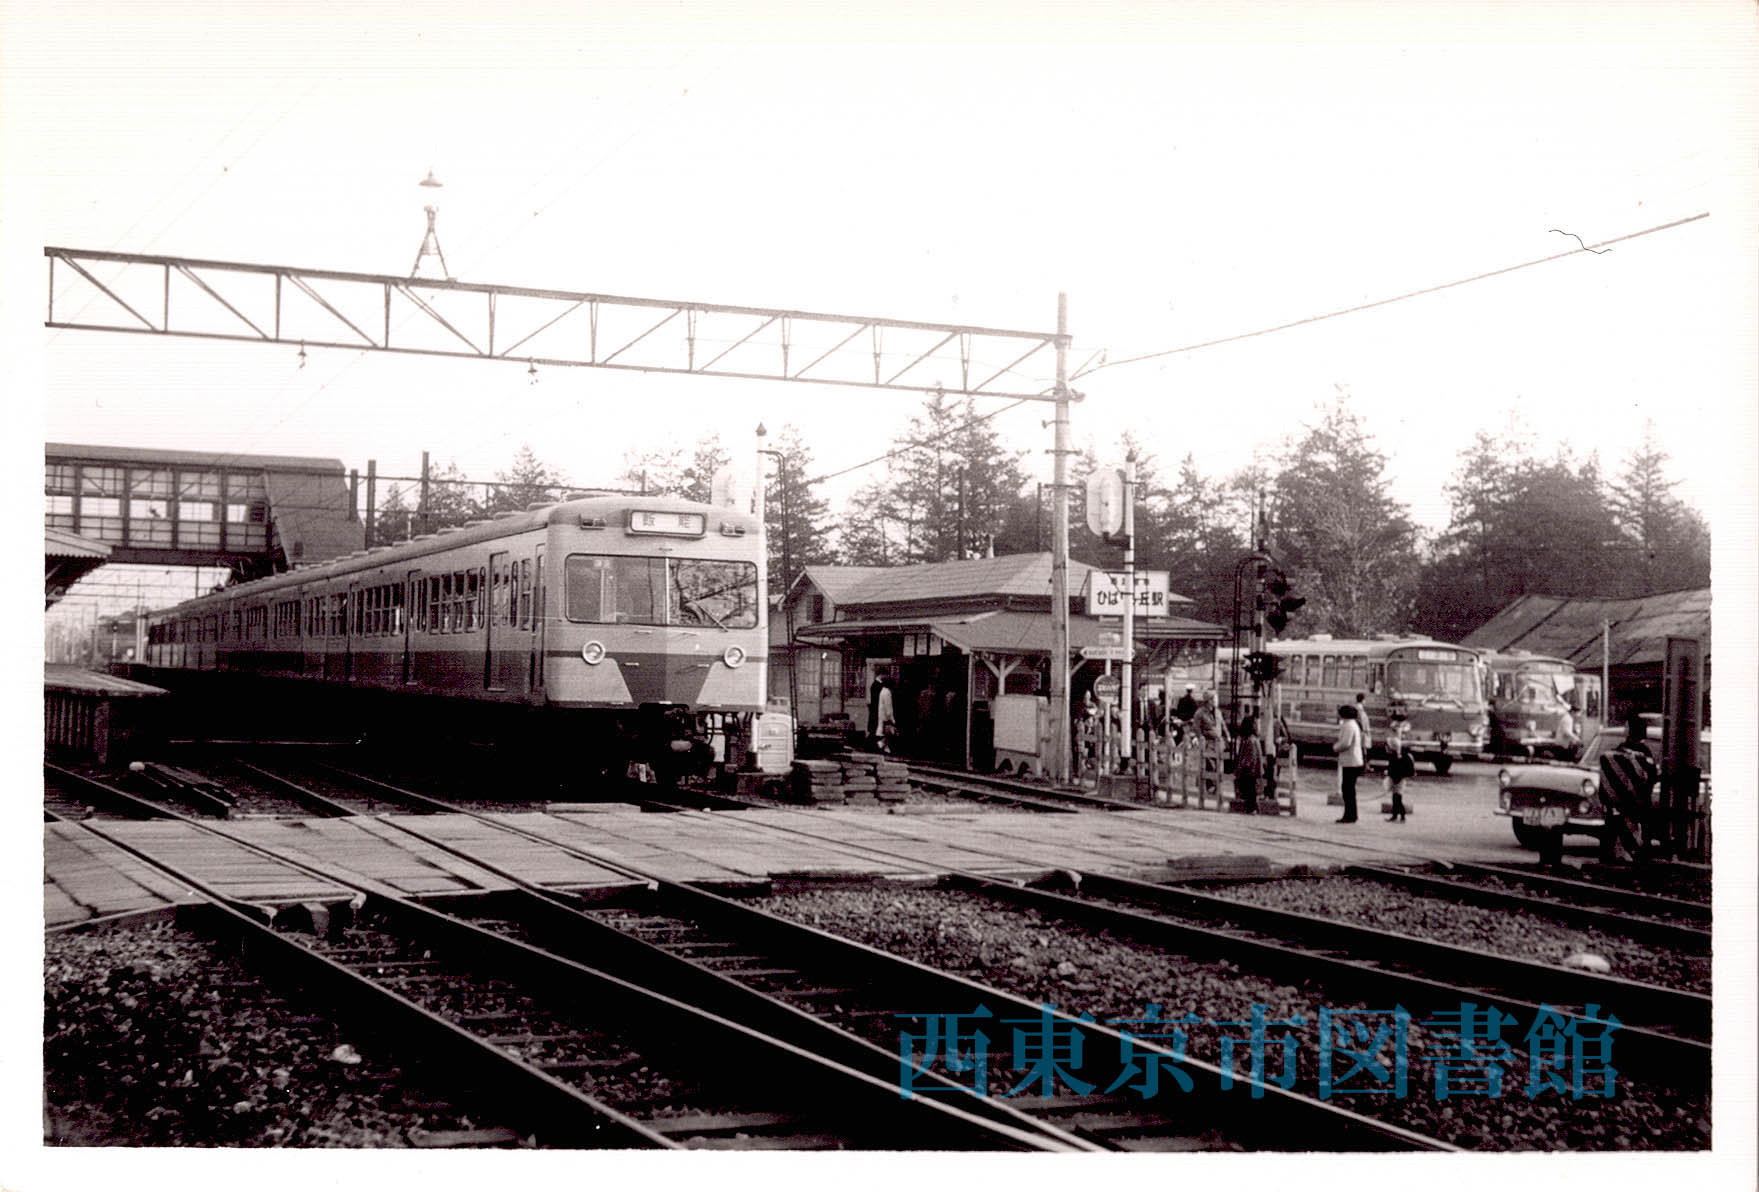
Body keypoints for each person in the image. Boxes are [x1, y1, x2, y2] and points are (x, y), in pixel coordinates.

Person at [1333, 704, 1364, 823]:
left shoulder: (1348, 725)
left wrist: (1335, 748)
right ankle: (1351, 814)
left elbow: (1345, 743)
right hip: (1353, 760)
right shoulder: (1352, 724)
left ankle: (1349, 815)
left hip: (1351, 761)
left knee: (1347, 790)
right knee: (1349, 789)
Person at [1384, 714, 1413, 822]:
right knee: (1397, 796)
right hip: (1398, 771)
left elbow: (1395, 759)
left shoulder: (1396, 743)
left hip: (1397, 772)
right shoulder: (1400, 739)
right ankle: (1398, 815)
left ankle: (1400, 815)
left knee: (1396, 796)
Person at [1233, 714, 1264, 813]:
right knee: (1251, 790)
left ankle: (1251, 808)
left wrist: (1241, 766)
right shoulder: (1253, 739)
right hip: (1254, 769)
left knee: (1249, 790)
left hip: (1250, 770)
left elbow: (1250, 757)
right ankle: (1252, 807)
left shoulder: (1249, 740)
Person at [875, 678, 898, 754]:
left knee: (886, 733)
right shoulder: (887, 693)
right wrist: (892, 718)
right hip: (886, 717)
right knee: (889, 733)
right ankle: (881, 744)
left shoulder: (882, 691)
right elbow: (888, 707)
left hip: (882, 715)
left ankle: (884, 747)